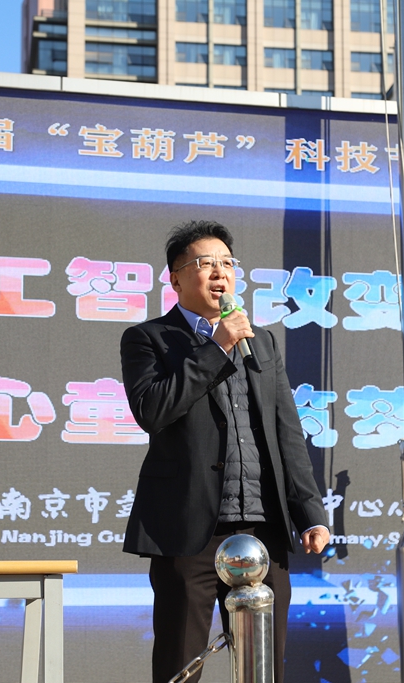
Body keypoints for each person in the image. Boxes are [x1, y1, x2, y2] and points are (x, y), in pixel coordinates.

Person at [120, 220, 330, 682]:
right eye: (205, 263)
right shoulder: (149, 338)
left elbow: (286, 431)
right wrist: (217, 347)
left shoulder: (262, 341)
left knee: (263, 666)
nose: (220, 272)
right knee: (180, 664)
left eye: (228, 263)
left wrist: (310, 513)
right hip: (189, 530)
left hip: (262, 527)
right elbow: (153, 410)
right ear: (175, 278)